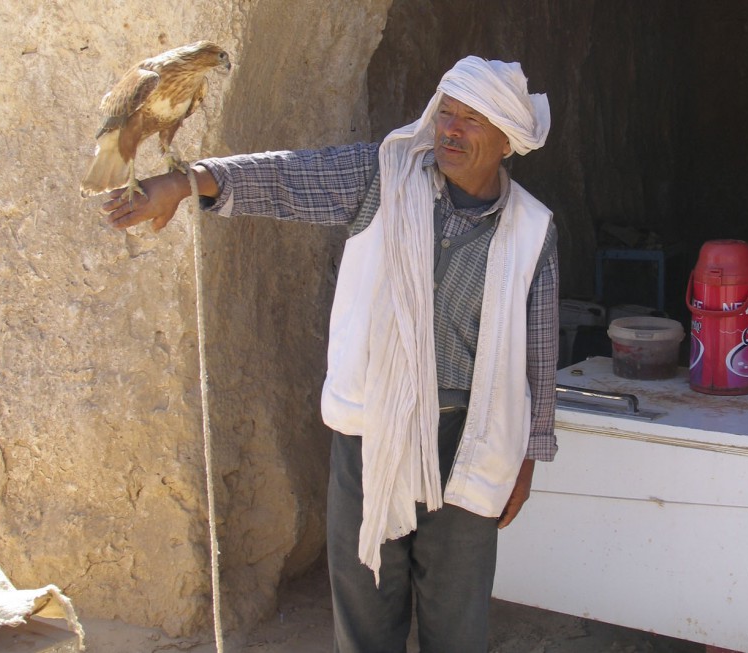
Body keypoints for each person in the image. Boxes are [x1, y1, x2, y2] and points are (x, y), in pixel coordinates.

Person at [102, 55, 559, 653]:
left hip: (470, 443)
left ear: (507, 139)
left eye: (471, 120)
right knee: (366, 612)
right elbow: (291, 178)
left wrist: (528, 461)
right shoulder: (382, 178)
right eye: (445, 112)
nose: (449, 129)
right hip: (372, 436)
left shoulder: (533, 227)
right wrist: (184, 183)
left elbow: (539, 352)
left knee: (457, 625)